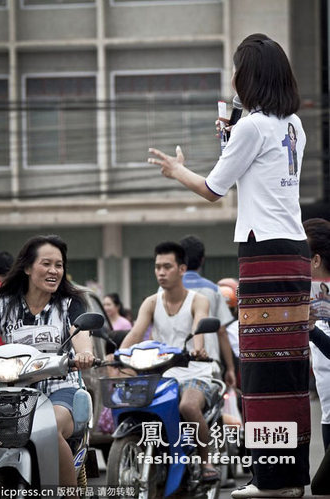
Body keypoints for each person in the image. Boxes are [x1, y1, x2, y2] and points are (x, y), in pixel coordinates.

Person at [148, 33, 310, 498]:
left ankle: (270, 481)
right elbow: (254, 172)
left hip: (264, 255)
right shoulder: (292, 124)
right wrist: (230, 134)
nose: (232, 76)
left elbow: (215, 188)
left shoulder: (252, 126)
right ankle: (288, 478)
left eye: (236, 68)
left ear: (249, 75)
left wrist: (178, 171)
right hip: (293, 252)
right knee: (288, 367)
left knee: (260, 370)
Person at [0, 235, 95, 490]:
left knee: (47, 427)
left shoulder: (70, 303)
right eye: (46, 264)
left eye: (59, 265)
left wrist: (83, 354)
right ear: (28, 268)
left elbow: (81, 333)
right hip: (13, 393)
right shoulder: (3, 304)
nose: (54, 271)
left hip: (61, 390)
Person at [120, 241, 219, 482]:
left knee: (188, 407)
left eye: (167, 267)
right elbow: (136, 333)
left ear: (182, 269)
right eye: (157, 267)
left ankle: (206, 461)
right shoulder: (151, 302)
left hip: (195, 371)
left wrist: (198, 350)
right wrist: (118, 354)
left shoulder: (198, 300)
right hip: (162, 374)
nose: (161, 273)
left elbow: (199, 329)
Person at [179, 235, 236, 386]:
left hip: (174, 364)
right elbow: (222, 331)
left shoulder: (164, 289)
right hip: (208, 362)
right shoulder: (213, 289)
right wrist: (230, 368)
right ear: (202, 260)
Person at [303, 218, 330, 495]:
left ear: (315, 259)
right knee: (322, 487)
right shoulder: (307, 295)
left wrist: (311, 330)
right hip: (328, 410)